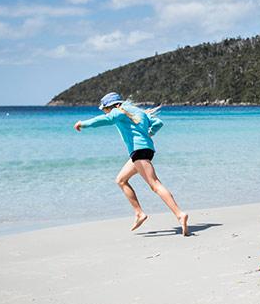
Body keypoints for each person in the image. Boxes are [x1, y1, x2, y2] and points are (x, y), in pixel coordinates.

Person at [74, 92, 189, 236]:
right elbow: (158, 123)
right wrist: (150, 132)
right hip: (147, 150)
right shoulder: (139, 111)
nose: (106, 111)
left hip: (138, 151)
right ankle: (139, 213)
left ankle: (180, 214)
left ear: (111, 106)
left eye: (105, 109)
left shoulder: (118, 111)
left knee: (155, 185)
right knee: (121, 180)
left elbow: (105, 120)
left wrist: (83, 124)